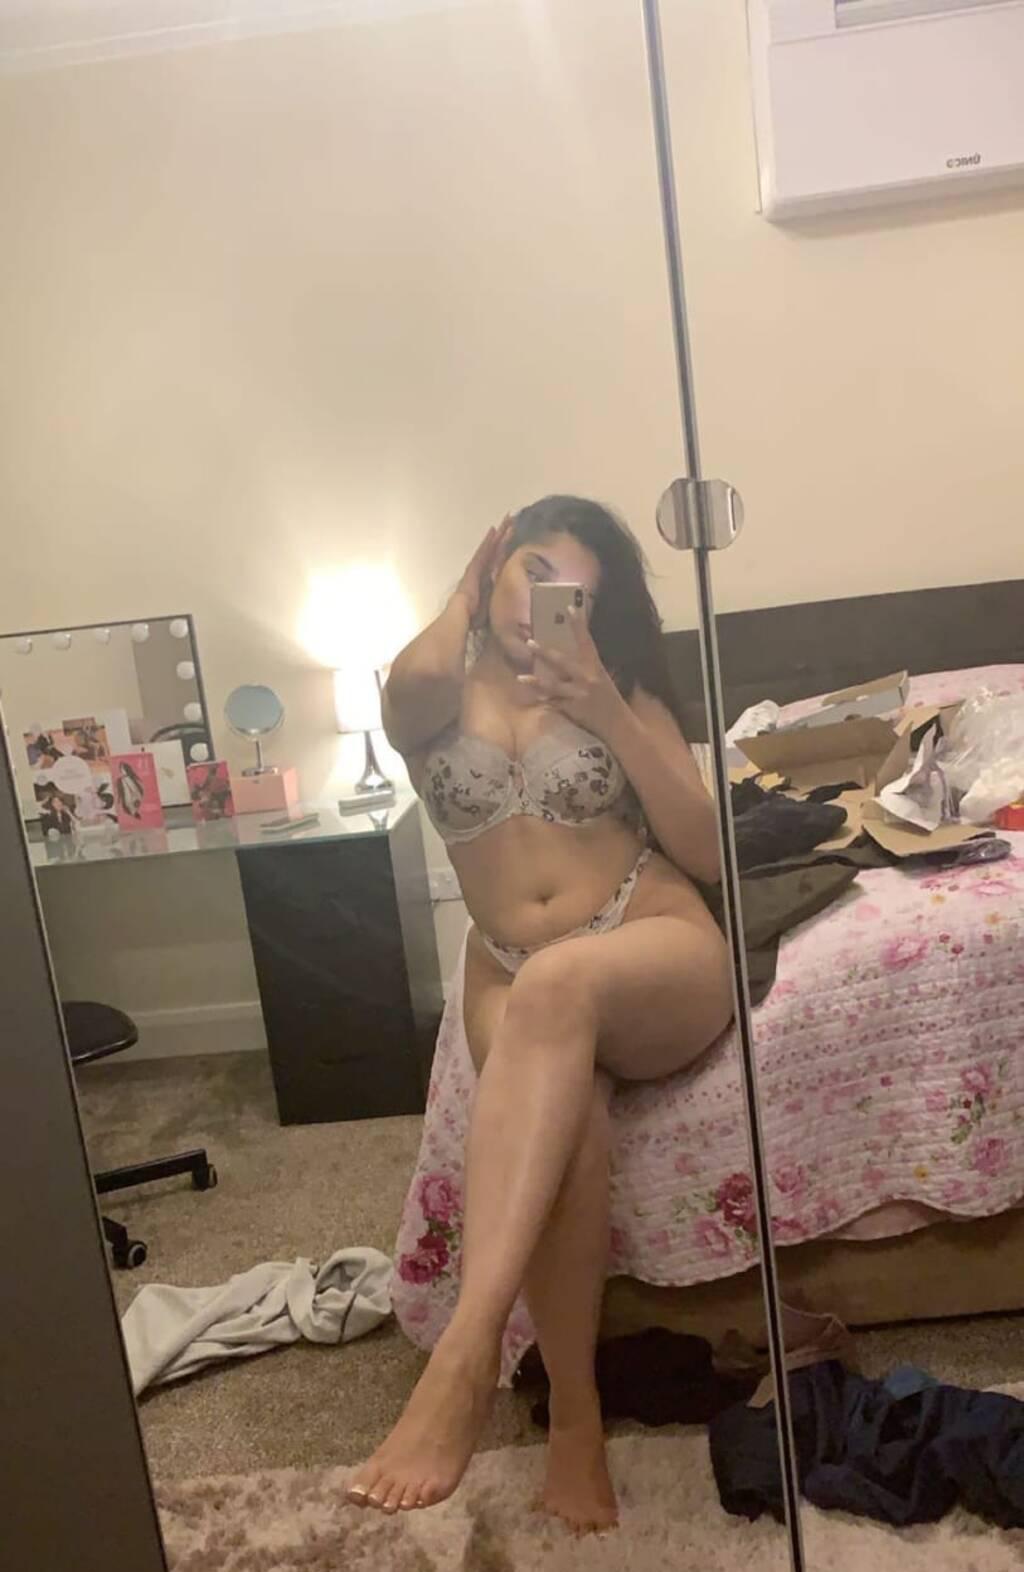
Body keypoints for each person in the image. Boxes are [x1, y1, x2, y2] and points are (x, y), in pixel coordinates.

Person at [347, 496, 732, 1533]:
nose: (545, 606)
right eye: (532, 574)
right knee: (569, 1128)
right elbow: (413, 683)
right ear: (493, 568)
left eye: (577, 596)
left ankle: (467, 1355)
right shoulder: (429, 690)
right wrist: (461, 595)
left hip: (648, 936)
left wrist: (606, 705)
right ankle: (573, 1417)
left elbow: (706, 850)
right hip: (508, 968)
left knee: (556, 985)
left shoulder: (615, 686)